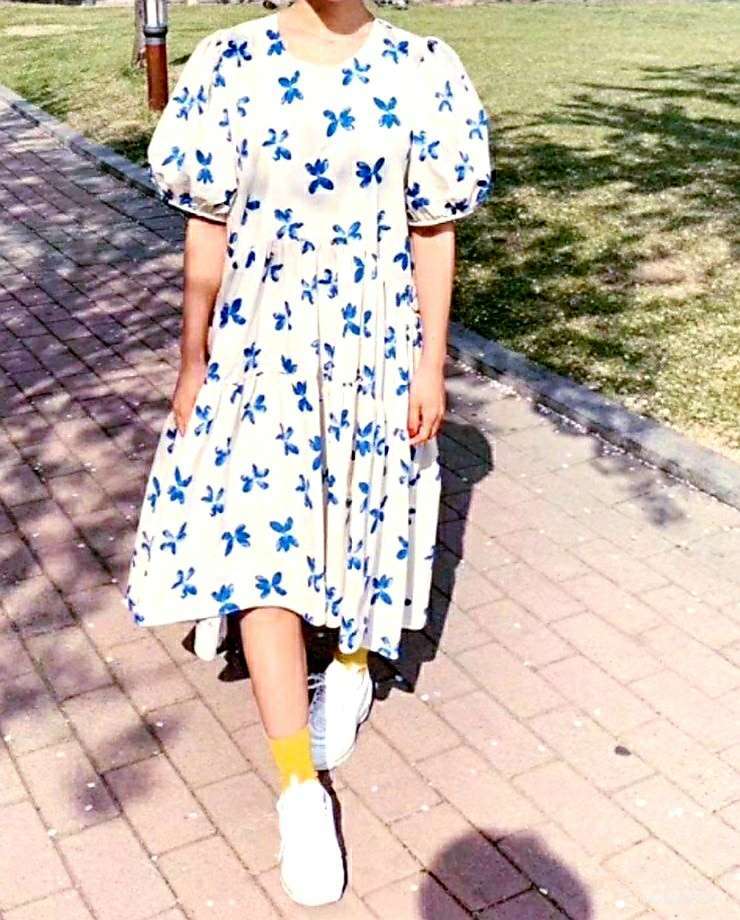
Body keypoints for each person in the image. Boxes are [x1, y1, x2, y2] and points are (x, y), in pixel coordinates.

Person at [123, 0, 492, 906]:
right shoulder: (229, 64)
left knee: (363, 522)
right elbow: (207, 224)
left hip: (374, 348)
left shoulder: (423, 71)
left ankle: (354, 664)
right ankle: (298, 789)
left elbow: (432, 231)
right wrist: (193, 355)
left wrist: (429, 365)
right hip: (259, 346)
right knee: (262, 548)